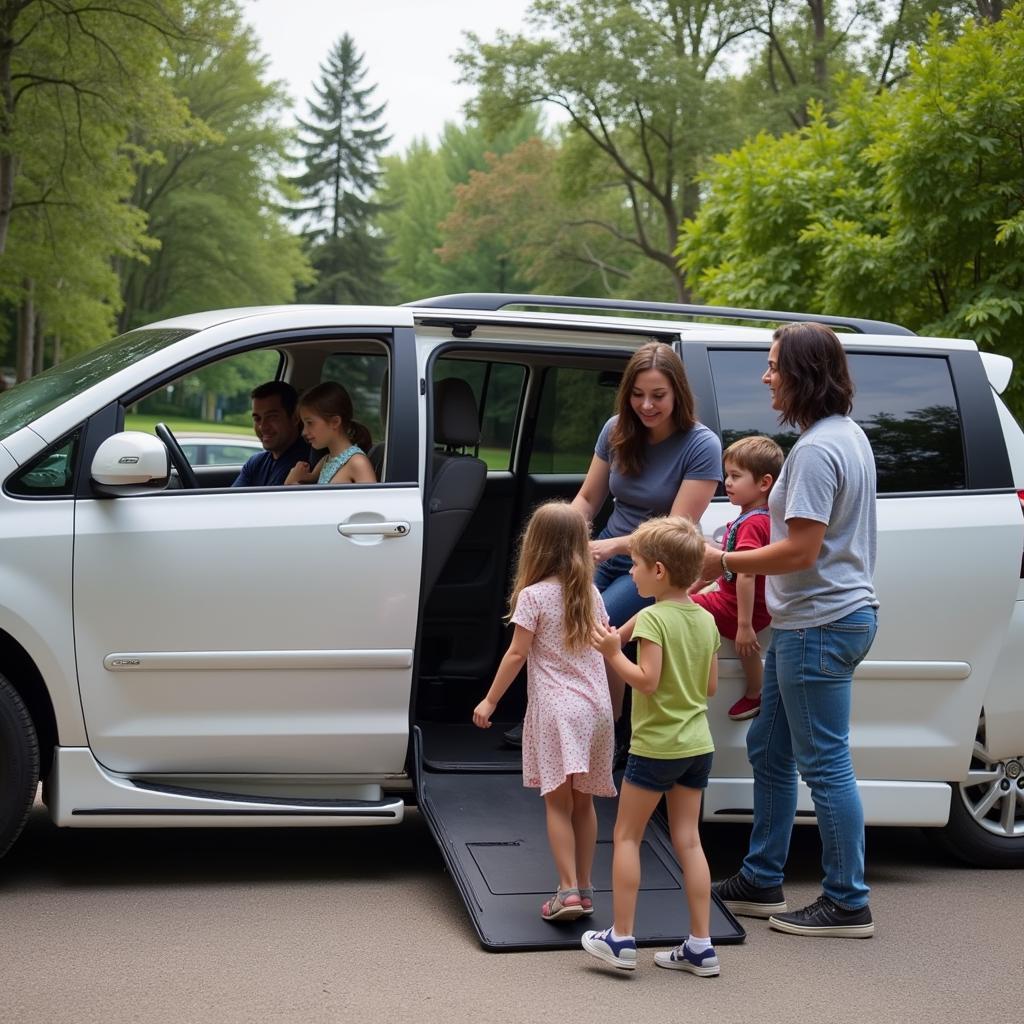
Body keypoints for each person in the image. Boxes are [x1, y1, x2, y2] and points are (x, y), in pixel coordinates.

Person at [703, 322, 880, 939]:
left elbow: (800, 551)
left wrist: (721, 562)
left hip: (819, 626)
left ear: (802, 372)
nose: (766, 374)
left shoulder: (812, 452)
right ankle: (760, 878)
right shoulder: (845, 436)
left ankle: (846, 902)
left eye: (774, 364)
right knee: (769, 748)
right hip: (818, 623)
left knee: (825, 763)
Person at [504, 342, 722, 747]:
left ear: (678, 392)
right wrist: (565, 538)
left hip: (655, 566)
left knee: (602, 629)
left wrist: (613, 547)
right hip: (605, 551)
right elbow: (588, 499)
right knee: (550, 613)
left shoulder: (700, 444)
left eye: (658, 396)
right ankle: (550, 716)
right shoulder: (616, 429)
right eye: (638, 395)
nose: (646, 405)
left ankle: (608, 730)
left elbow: (675, 530)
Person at [582, 516, 720, 975]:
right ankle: (701, 945)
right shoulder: (705, 618)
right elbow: (711, 687)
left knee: (626, 836)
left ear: (659, 571)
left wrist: (613, 654)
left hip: (656, 748)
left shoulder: (653, 622)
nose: (631, 573)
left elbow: (646, 681)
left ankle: (621, 938)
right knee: (689, 840)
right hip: (697, 745)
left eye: (635, 565)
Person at [472, 502, 617, 922]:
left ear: (534, 546)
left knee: (557, 805)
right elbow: (606, 642)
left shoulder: (533, 596)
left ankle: (566, 891)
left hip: (556, 711)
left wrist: (491, 700)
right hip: (596, 711)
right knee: (584, 803)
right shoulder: (590, 593)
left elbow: (517, 654)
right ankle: (586, 887)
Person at [692, 435, 784, 721]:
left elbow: (745, 572)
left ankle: (700, 679)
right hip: (738, 599)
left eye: (735, 476)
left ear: (764, 483)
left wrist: (744, 626)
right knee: (746, 651)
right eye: (726, 475)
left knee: (679, 611)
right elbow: (723, 565)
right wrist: (693, 586)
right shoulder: (752, 517)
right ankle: (756, 692)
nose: (727, 483)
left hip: (742, 607)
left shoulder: (754, 523)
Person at [285, 382, 376, 485]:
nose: (304, 432)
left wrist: (290, 483)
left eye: (310, 423)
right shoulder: (326, 460)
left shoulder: (358, 463)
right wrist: (299, 475)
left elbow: (371, 500)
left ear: (335, 422)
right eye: (304, 424)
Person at [232, 381, 310, 487]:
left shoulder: (305, 465)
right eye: (257, 419)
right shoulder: (256, 462)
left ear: (295, 418)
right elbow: (233, 501)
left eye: (272, 417)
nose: (263, 426)